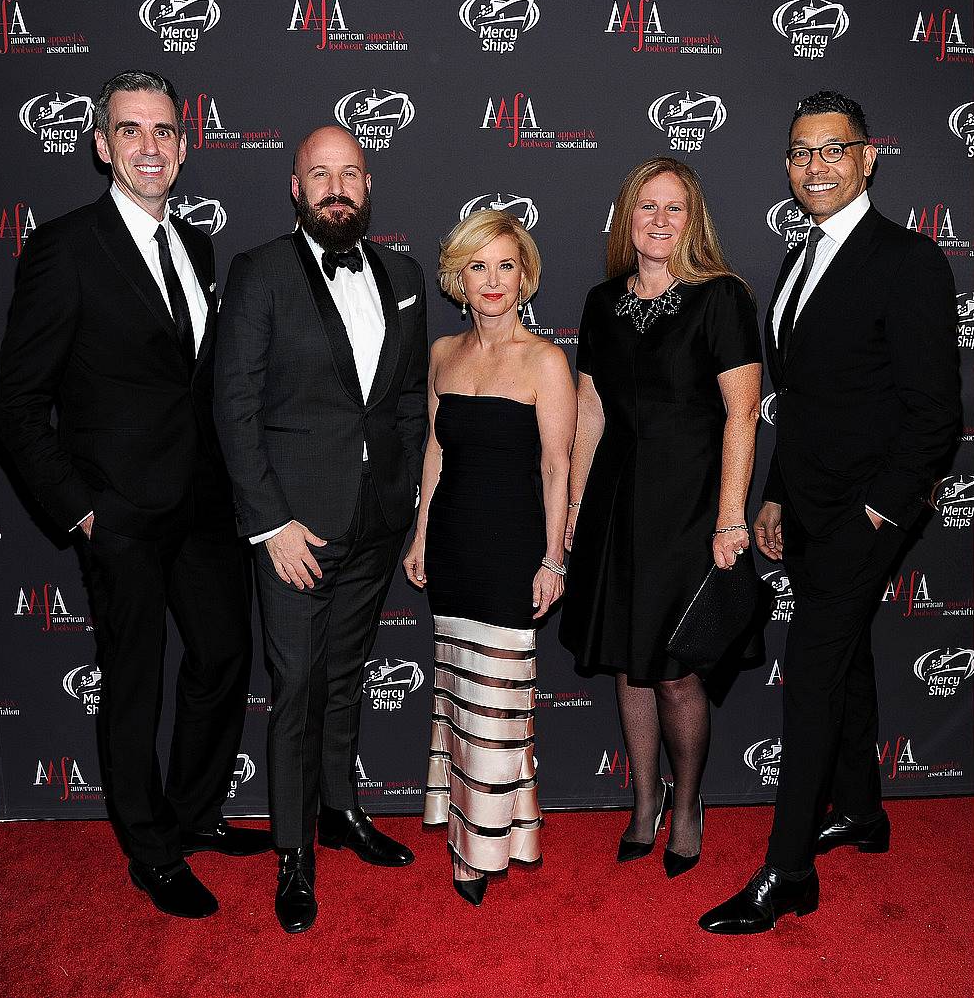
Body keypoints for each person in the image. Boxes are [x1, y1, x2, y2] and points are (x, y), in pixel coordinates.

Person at [0, 70, 268, 920]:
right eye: (131, 131)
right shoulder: (65, 247)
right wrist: (79, 509)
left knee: (223, 659)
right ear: (102, 145)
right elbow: (13, 398)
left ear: (183, 146)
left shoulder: (198, 244)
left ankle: (193, 812)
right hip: (117, 514)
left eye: (165, 132)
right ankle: (150, 850)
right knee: (135, 682)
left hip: (202, 507)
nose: (150, 147)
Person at [700, 90, 960, 934]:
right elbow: (801, 401)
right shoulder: (794, 259)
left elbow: (934, 416)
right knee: (842, 659)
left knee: (810, 670)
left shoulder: (908, 260)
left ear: (867, 157)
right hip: (806, 496)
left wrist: (880, 515)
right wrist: (773, 489)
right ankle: (861, 809)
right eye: (801, 152)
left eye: (833, 149)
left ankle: (787, 871)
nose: (815, 166)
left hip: (866, 511)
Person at [214, 125, 428, 933]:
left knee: (345, 674)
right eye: (320, 175)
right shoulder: (260, 272)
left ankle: (339, 809)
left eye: (350, 173)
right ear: (295, 188)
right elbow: (234, 408)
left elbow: (407, 399)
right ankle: (292, 851)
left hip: (374, 521)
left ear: (367, 185)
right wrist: (270, 524)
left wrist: (403, 497)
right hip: (295, 530)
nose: (336, 187)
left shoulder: (402, 275)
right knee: (297, 687)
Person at [559, 157, 762, 879]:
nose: (658, 220)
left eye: (673, 208)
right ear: (626, 216)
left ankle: (686, 806)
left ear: (693, 220)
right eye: (646, 206)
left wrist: (730, 518)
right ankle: (643, 801)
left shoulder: (721, 298)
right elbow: (589, 408)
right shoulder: (600, 301)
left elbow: (742, 411)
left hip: (691, 503)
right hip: (617, 499)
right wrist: (576, 506)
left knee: (674, 670)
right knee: (628, 657)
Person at [402, 210, 575, 906]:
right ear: (458, 278)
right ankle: (465, 835)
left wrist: (553, 558)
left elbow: (560, 469)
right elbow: (435, 451)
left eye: (506, 265)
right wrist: (418, 536)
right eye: (479, 266)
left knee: (498, 707)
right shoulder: (443, 353)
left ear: (524, 274)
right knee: (457, 699)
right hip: (451, 546)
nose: (493, 280)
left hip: (510, 552)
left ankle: (485, 846)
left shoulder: (545, 361)